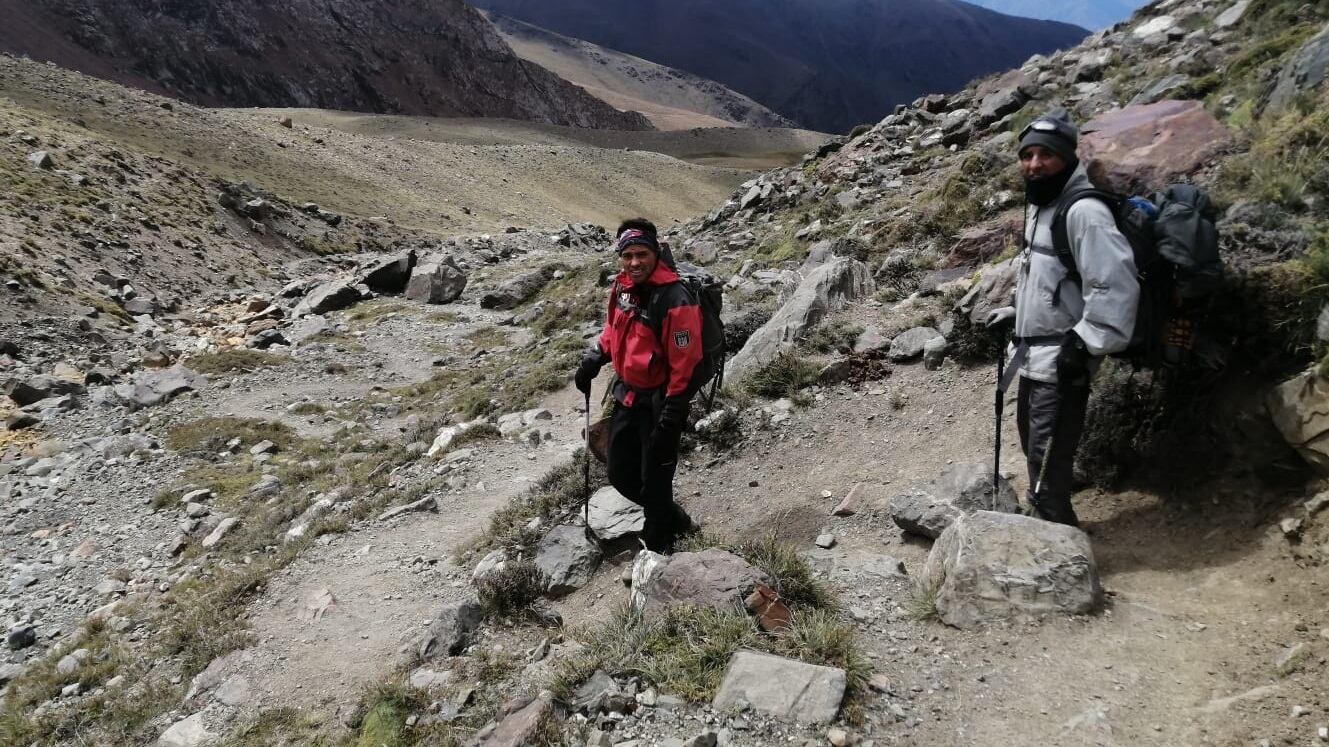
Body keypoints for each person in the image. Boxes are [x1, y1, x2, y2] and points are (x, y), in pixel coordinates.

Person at [985, 111, 1139, 527]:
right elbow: (1051, 280)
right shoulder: (1042, 204)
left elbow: (1116, 286)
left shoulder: (1085, 212)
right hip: (1034, 355)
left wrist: (1086, 343)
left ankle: (1059, 551)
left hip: (1062, 360)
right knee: (1036, 449)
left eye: (1046, 155)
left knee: (1048, 462)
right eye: (1028, 154)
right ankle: (1049, 527)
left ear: (1068, 158)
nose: (1034, 164)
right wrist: (1016, 312)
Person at [575, 219, 701, 552]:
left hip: (661, 403)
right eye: (627, 255)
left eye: (641, 254)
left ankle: (658, 547)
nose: (634, 262)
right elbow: (613, 330)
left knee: (655, 481)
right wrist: (595, 357)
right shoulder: (622, 289)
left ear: (655, 252)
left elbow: (684, 362)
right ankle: (674, 518)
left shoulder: (675, 298)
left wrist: (672, 415)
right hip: (628, 395)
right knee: (619, 472)